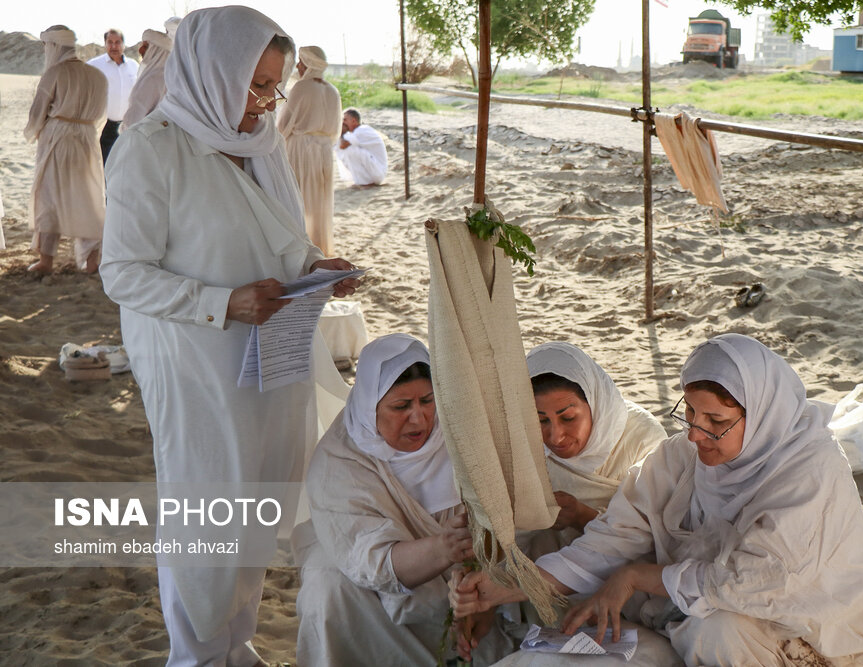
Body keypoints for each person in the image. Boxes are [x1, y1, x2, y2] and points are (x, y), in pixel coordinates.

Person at [100, 7, 359, 665]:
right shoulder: (152, 147)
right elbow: (124, 274)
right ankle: (195, 655)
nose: (267, 102)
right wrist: (224, 302)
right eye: (256, 86)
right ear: (211, 74)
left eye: (273, 86)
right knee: (204, 504)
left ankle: (234, 646)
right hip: (195, 363)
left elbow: (277, 240)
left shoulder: (260, 144)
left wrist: (312, 268)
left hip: (268, 354)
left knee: (256, 500)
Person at [451, 334, 863, 666]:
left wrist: (636, 576)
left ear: (762, 413)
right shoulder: (682, 456)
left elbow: (759, 581)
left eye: (716, 421)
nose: (697, 434)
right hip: (700, 615)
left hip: (809, 626)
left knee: (716, 633)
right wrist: (506, 586)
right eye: (690, 415)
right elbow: (615, 535)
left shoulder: (808, 470)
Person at [293, 334, 513, 666]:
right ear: (370, 406)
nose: (419, 418)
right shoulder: (338, 462)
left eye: (427, 400)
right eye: (401, 406)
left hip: (470, 595)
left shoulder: (462, 435)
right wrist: (443, 548)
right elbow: (370, 561)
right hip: (380, 588)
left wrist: (482, 595)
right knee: (327, 584)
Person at [523, 341, 666, 554]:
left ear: (595, 402)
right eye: (541, 420)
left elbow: (657, 536)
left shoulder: (642, 440)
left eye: (568, 418)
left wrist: (582, 516)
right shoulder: (523, 442)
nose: (556, 437)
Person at [24, 25, 107, 274]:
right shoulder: (97, 75)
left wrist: (35, 132)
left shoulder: (54, 74)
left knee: (49, 198)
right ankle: (92, 260)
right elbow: (101, 115)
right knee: (87, 199)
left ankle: (46, 261)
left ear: (53, 46)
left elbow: (38, 112)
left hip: (57, 141)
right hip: (88, 141)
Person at [278, 46, 342, 255]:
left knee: (300, 196)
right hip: (324, 150)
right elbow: (335, 130)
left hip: (301, 148)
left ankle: (302, 246)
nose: (297, 65)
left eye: (301, 61)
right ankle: (319, 243)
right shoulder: (332, 90)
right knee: (320, 198)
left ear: (309, 64)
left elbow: (284, 124)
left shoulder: (301, 88)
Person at [87, 29, 139, 163]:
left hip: (127, 126)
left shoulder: (134, 67)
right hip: (103, 126)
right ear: (105, 44)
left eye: (118, 42)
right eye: (110, 42)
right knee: (103, 165)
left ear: (124, 44)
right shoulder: (94, 65)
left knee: (125, 165)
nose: (114, 46)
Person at [120, 26, 172, 131]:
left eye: (146, 46)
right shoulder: (172, 78)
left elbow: (132, 121)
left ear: (157, 51)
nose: (141, 50)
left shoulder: (151, 79)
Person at [334, 107, 388, 186]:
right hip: (375, 170)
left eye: (345, 120)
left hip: (378, 172)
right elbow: (337, 146)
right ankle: (362, 181)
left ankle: (365, 182)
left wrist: (341, 132)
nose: (342, 123)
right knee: (343, 149)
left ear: (353, 120)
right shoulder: (353, 133)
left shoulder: (362, 130)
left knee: (350, 150)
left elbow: (343, 145)